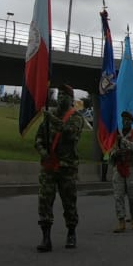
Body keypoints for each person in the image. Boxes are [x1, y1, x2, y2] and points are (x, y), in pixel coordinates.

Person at [34, 83, 86, 252]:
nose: (61, 98)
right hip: (49, 167)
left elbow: (70, 133)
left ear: (71, 99)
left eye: (65, 96)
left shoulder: (76, 118)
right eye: (59, 95)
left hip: (67, 168)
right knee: (44, 201)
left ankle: (71, 231)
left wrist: (52, 119)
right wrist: (43, 152)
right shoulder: (50, 117)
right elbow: (38, 139)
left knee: (69, 202)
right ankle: (46, 237)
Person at [110, 111, 133, 233]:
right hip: (118, 167)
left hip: (131, 167)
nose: (125, 122)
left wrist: (124, 141)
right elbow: (111, 150)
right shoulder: (117, 134)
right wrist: (115, 153)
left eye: (128, 120)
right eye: (124, 120)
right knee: (118, 196)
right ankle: (121, 221)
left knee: (132, 197)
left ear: (132, 122)